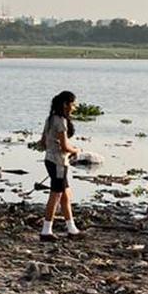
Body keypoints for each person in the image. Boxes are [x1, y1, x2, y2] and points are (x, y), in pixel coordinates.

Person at [40, 90, 84, 241]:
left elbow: (42, 142)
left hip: (51, 160)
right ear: (66, 104)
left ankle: (72, 228)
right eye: (73, 104)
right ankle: (46, 231)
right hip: (58, 163)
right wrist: (76, 150)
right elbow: (65, 146)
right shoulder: (60, 121)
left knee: (65, 194)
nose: (74, 107)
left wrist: (58, 147)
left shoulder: (50, 118)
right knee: (56, 194)